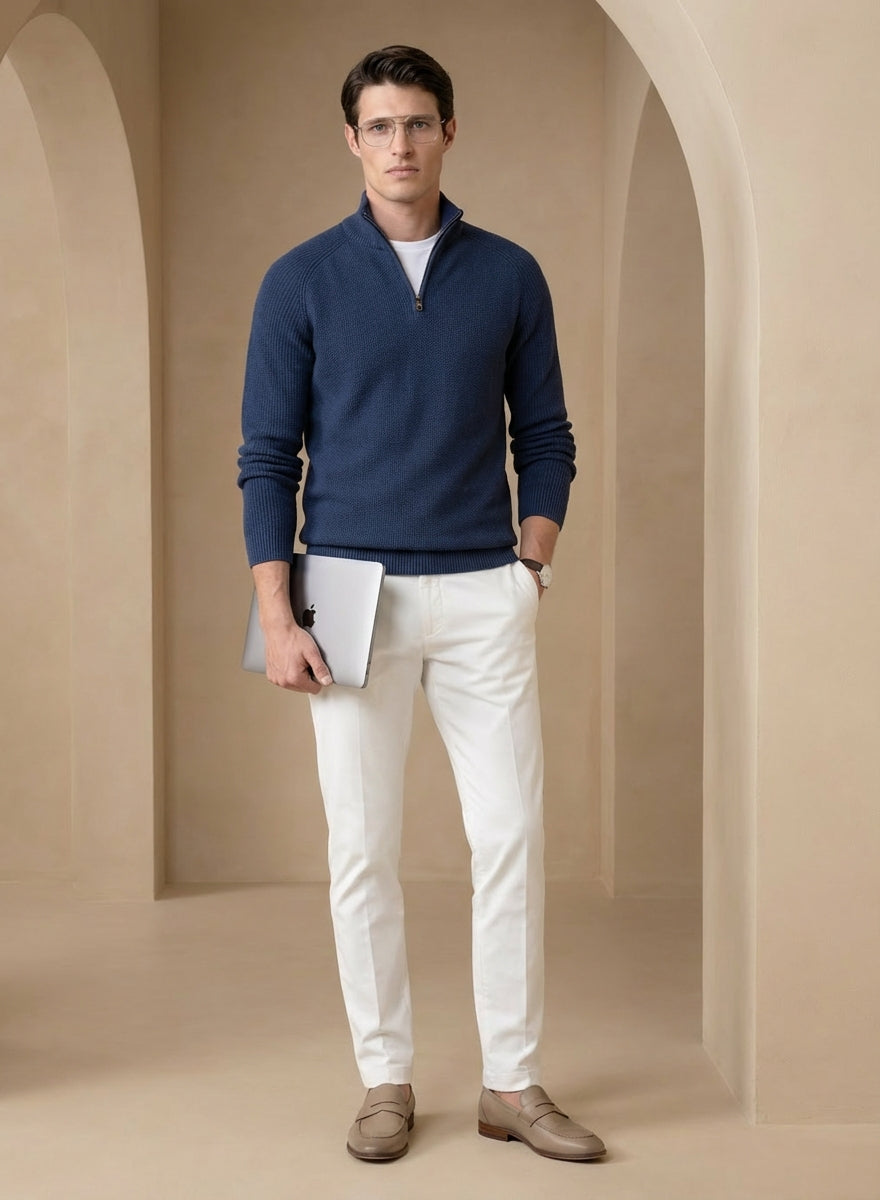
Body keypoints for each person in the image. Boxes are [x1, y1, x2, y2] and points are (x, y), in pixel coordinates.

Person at [237, 45, 605, 1164]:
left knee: (512, 839)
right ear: (351, 140)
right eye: (380, 125)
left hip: (484, 588)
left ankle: (512, 1082)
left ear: (449, 131)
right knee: (362, 848)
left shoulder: (509, 274)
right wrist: (278, 614)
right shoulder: (300, 279)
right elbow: (267, 458)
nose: (400, 144)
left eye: (418, 122)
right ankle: (385, 1077)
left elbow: (547, 437)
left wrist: (531, 566)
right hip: (347, 594)